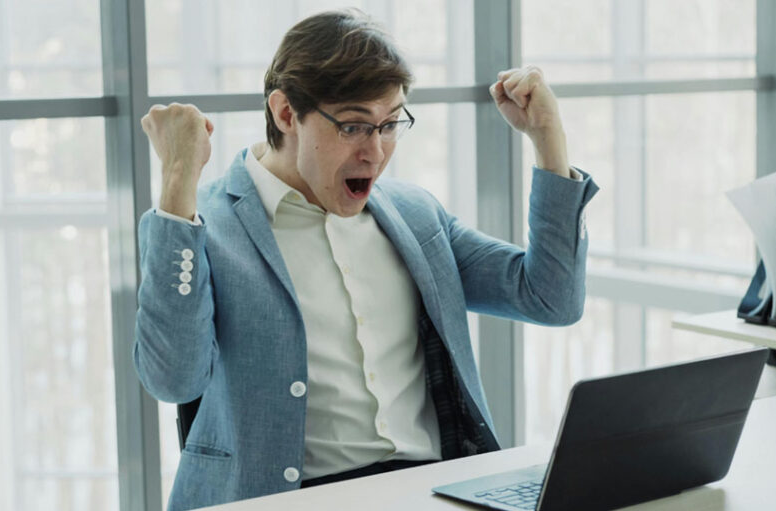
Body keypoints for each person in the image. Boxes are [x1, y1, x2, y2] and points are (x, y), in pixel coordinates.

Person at [135, 9, 597, 511]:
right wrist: (179, 178)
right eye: (354, 126)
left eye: (391, 124)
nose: (376, 153)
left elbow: (551, 298)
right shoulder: (199, 225)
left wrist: (548, 138)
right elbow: (172, 378)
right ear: (286, 113)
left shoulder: (414, 215)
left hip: (433, 492)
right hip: (282, 499)